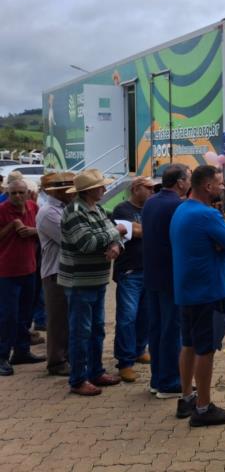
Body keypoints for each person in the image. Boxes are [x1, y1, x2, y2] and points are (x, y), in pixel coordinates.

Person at [170, 165, 225, 426]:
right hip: (208, 291)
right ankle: (203, 407)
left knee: (188, 344)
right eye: (220, 183)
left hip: (187, 290)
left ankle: (187, 397)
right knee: (205, 350)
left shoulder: (182, 209)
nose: (223, 187)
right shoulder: (208, 215)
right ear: (208, 186)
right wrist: (219, 243)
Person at [59, 169, 125, 396]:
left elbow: (114, 235)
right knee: (81, 331)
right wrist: (115, 233)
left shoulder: (95, 209)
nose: (104, 189)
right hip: (79, 281)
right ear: (89, 190)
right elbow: (88, 242)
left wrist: (116, 243)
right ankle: (78, 379)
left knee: (96, 329)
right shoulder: (75, 212)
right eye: (101, 186)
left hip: (95, 280)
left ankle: (95, 371)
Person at [142, 163, 190, 399]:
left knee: (157, 328)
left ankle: (157, 378)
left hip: (152, 274)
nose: (189, 182)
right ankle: (170, 382)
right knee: (171, 329)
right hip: (170, 276)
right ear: (180, 182)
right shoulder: (177, 205)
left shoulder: (151, 201)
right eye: (188, 178)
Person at [111, 176, 155, 382]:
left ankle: (139, 349)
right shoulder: (122, 209)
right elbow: (135, 233)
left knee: (145, 315)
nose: (152, 192)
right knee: (127, 317)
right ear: (136, 188)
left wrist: (141, 230)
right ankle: (125, 361)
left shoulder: (150, 208)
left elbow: (141, 231)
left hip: (148, 269)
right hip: (129, 271)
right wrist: (147, 231)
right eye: (148, 188)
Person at [0, 178, 45, 376]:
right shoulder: (2, 210)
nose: (17, 196)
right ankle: (2, 356)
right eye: (13, 193)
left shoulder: (33, 207)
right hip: (6, 272)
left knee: (25, 314)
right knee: (7, 316)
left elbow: (43, 232)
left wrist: (33, 231)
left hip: (30, 269)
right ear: (8, 194)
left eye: (21, 192)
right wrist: (12, 226)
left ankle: (22, 351)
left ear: (27, 193)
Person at [35, 171, 75, 376]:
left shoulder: (62, 209)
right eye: (68, 188)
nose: (72, 192)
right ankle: (57, 361)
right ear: (58, 191)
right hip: (55, 272)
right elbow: (70, 239)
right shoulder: (49, 212)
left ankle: (65, 357)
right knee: (58, 319)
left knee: (66, 318)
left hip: (63, 271)